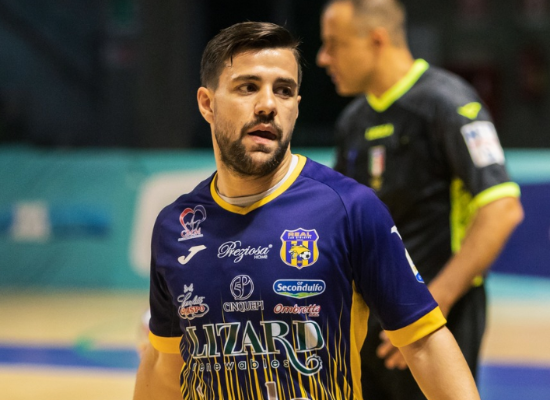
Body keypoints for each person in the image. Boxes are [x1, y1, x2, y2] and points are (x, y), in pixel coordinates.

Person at [133, 21, 482, 400]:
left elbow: (425, 344)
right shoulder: (175, 227)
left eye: (284, 91)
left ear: (296, 107)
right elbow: (165, 364)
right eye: (248, 87)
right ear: (207, 104)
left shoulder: (351, 209)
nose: (268, 105)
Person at [316, 1, 524, 399]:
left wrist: (428, 308)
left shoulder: (447, 103)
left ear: (376, 39)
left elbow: (501, 209)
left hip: (434, 322)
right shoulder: (352, 122)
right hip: (369, 326)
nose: (324, 58)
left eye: (334, 44)